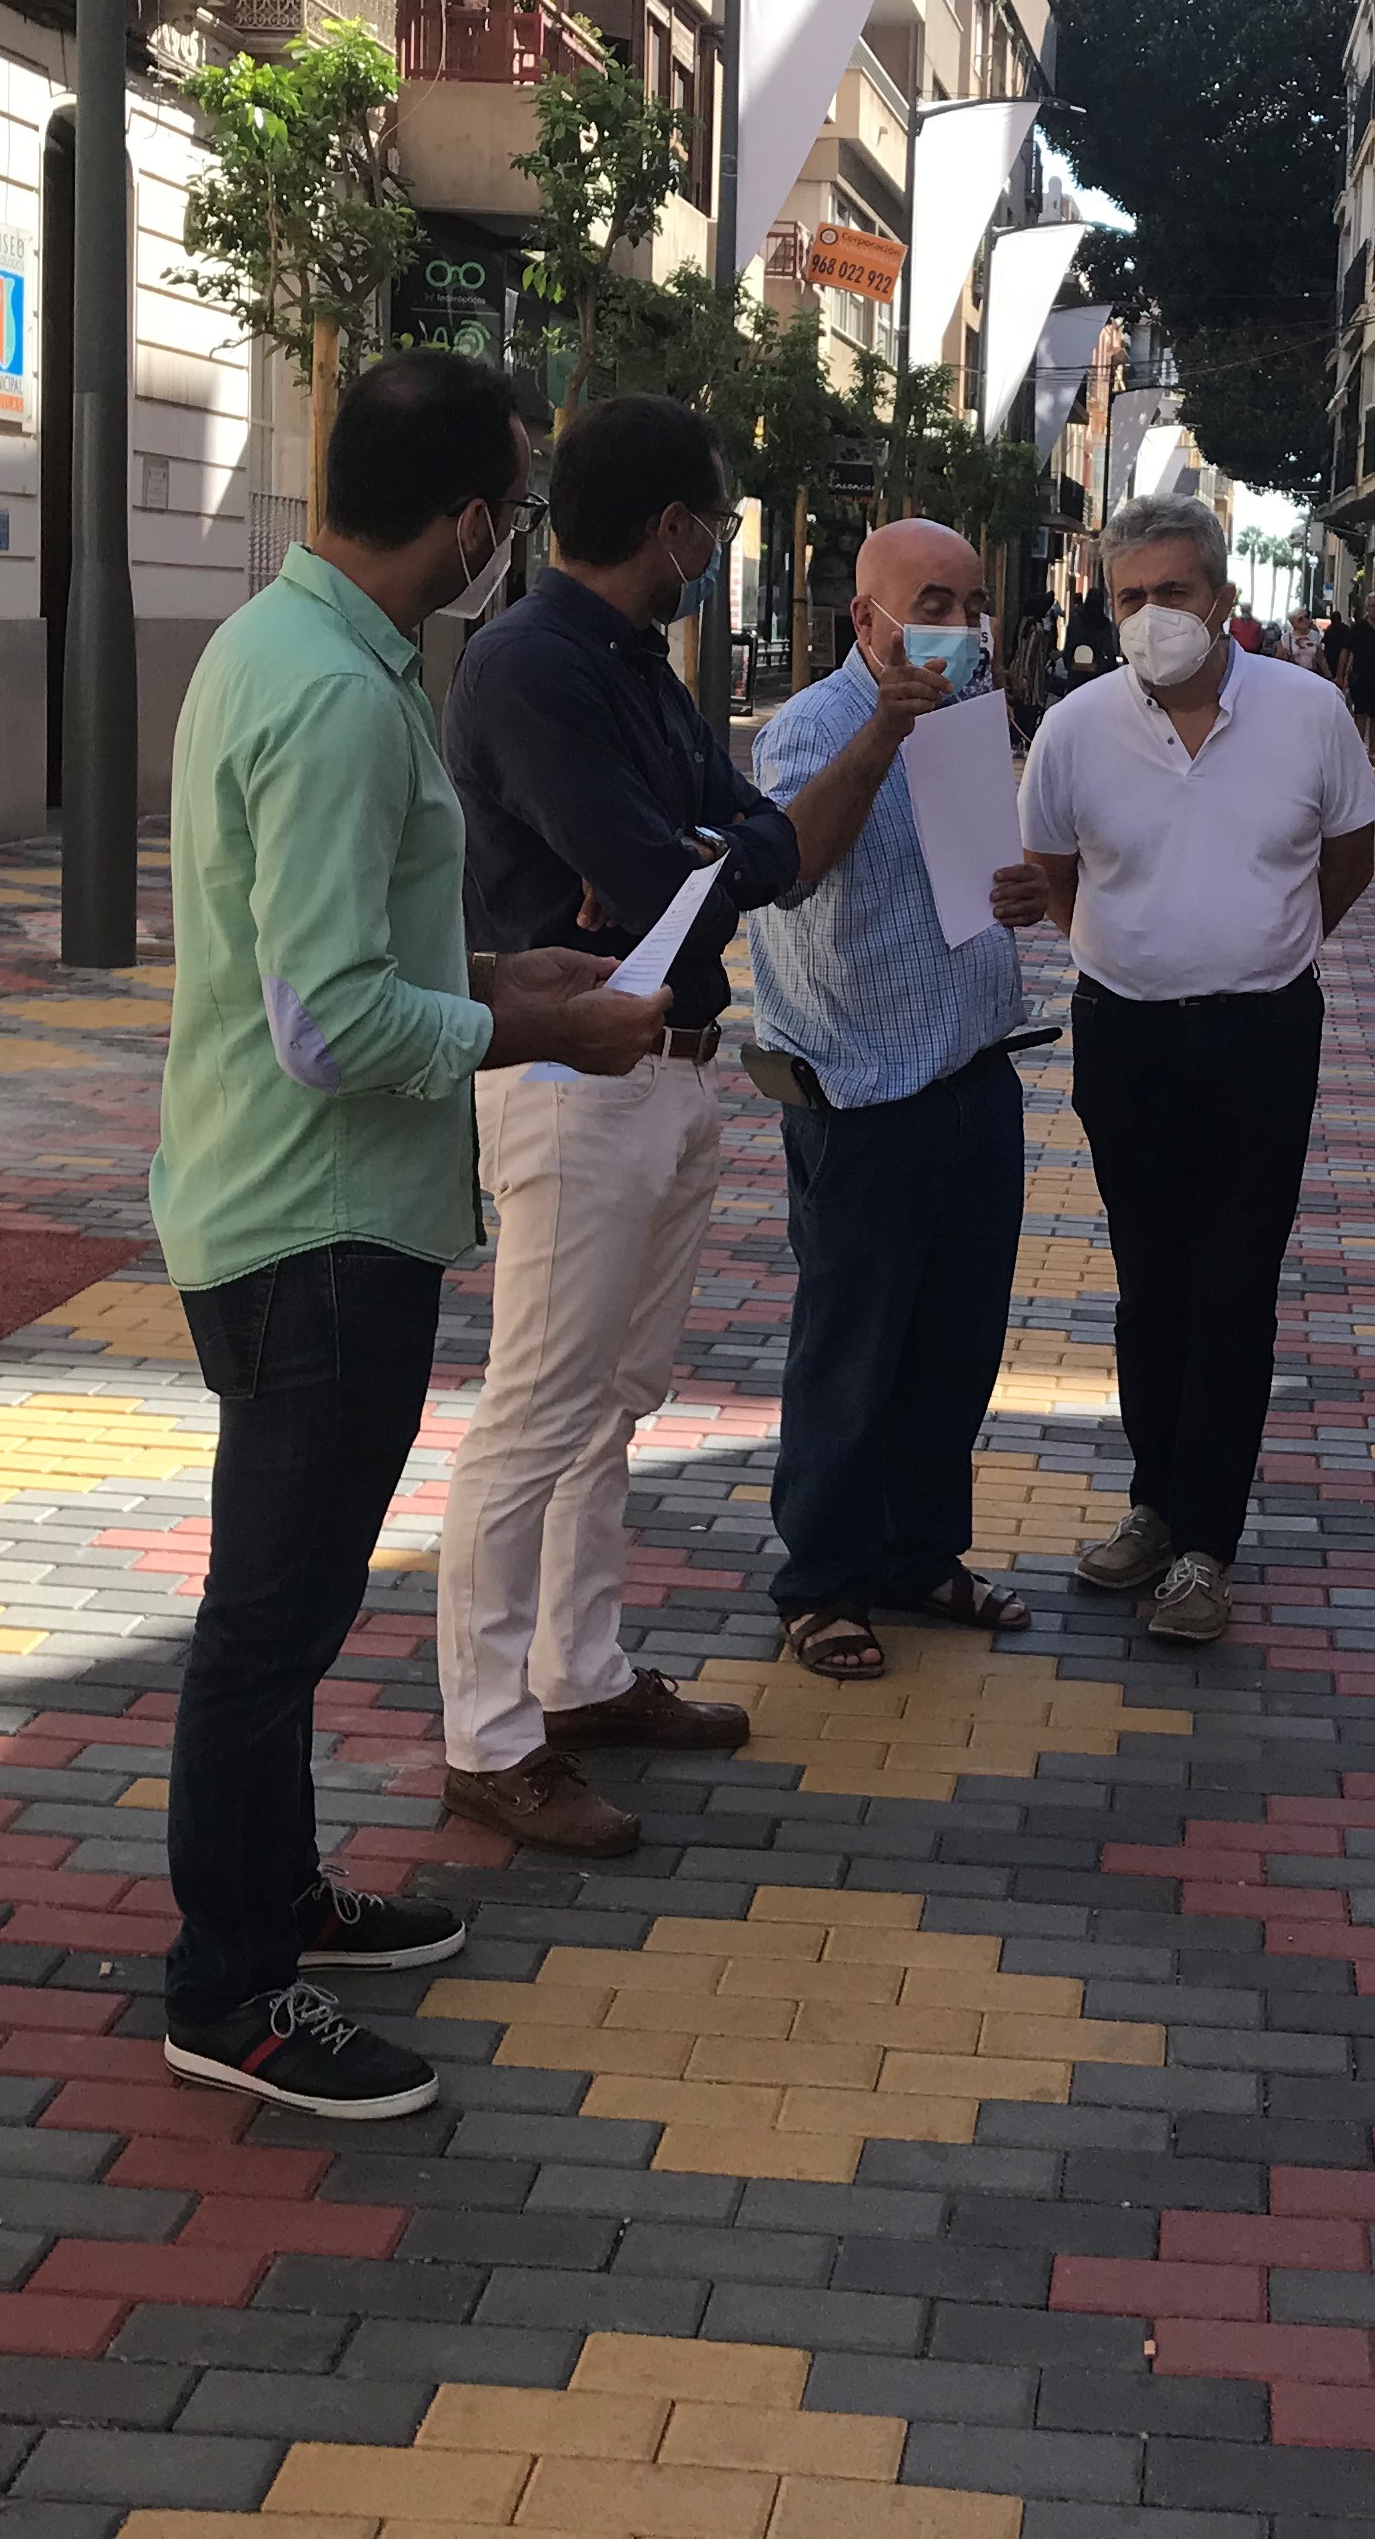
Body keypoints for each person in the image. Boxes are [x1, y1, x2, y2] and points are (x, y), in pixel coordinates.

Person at [150, 349, 671, 2117]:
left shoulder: (280, 644)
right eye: (507, 513)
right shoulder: (339, 696)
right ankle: (227, 1987)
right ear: (467, 519)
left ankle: (276, 1895)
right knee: (267, 1622)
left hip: (297, 1205)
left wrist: (499, 973)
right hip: (313, 1222)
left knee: (280, 1614)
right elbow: (323, 1022)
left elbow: (342, 964)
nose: (502, 544)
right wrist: (535, 1027)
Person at [438, 394, 945, 1856]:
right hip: (568, 1081)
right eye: (717, 524)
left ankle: (578, 1676)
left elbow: (753, 857)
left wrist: (706, 857)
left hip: (666, 1066)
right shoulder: (531, 667)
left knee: (609, 1402)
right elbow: (669, 868)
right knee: (535, 1408)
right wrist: (698, 862)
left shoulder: (637, 673)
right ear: (673, 529)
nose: (719, 547)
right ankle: (488, 1736)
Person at [1006, 493, 1375, 1647]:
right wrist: (1122, 949)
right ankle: (1155, 1508)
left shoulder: (1310, 713)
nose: (1152, 616)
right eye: (1130, 598)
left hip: (1266, 1032)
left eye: (1174, 593)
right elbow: (1053, 871)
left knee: (1233, 1287)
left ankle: (1207, 1546)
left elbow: (1350, 860)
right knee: (1147, 1285)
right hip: (1127, 1035)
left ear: (1222, 600)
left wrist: (1264, 944)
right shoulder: (1075, 728)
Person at [747, 519, 1035, 1683]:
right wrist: (885, 729)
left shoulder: (972, 718)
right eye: (933, 601)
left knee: (954, 1349)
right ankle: (820, 1582)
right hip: (860, 1096)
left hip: (974, 1074)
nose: (959, 626)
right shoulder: (803, 732)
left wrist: (1025, 890)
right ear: (864, 619)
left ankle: (920, 1558)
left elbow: (974, 882)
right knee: (850, 1355)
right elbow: (795, 866)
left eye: (973, 604)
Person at [1336, 589, 1375, 762]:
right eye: (1372, 606)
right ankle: (1358, 750)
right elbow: (1345, 651)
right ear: (1367, 608)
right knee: (1360, 714)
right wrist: (1340, 675)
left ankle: (1373, 751)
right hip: (1360, 677)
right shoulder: (1357, 628)